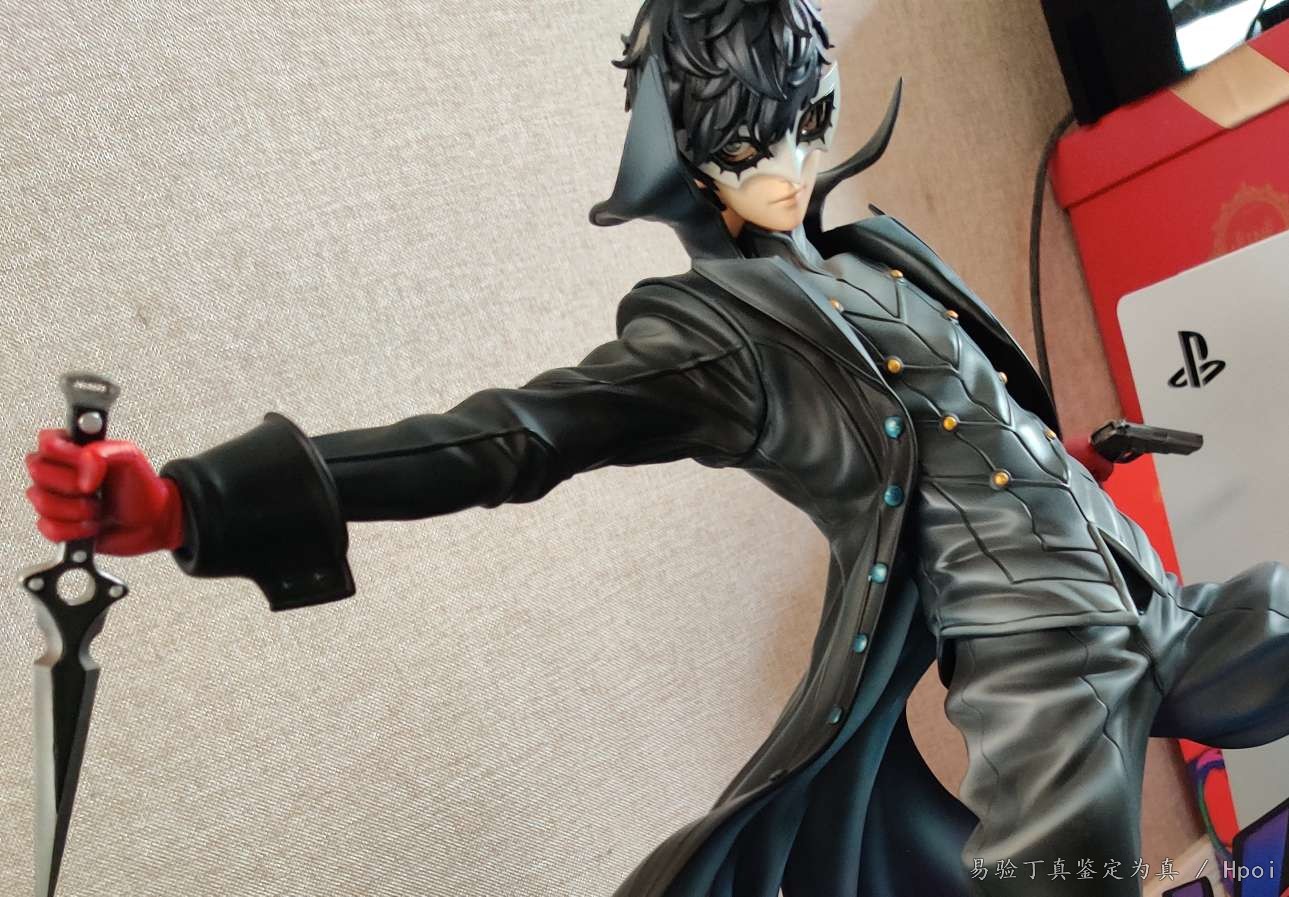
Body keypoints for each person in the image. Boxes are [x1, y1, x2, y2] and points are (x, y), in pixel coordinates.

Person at [24, 1, 1289, 894]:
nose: (781, 167)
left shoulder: (876, 253)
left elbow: (966, 432)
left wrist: (1064, 470)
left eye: (794, 122)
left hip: (1154, 605)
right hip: (1040, 667)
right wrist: (193, 504)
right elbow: (509, 437)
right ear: (684, 159)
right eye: (742, 146)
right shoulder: (716, 337)